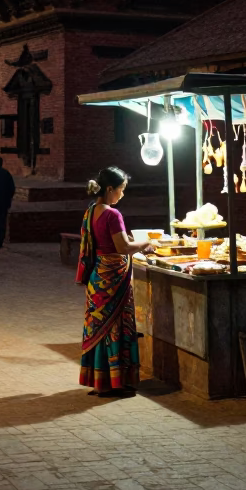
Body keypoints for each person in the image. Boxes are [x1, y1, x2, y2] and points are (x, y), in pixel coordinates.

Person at [76, 166, 154, 398]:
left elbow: (106, 242)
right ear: (110, 189)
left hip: (98, 276)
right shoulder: (112, 214)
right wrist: (146, 243)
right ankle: (116, 383)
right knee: (117, 327)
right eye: (121, 190)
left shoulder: (91, 211)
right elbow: (123, 248)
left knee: (99, 327)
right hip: (114, 278)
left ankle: (101, 381)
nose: (122, 195)